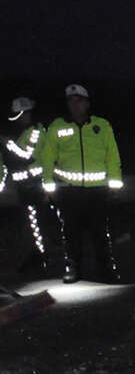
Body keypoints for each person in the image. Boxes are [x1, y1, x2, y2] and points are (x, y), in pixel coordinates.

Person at [38, 84, 123, 283]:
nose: (75, 105)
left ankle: (107, 270)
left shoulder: (101, 125)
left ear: (87, 103)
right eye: (71, 101)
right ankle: (73, 268)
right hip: (69, 191)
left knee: (100, 232)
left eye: (79, 101)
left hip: (98, 191)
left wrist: (114, 185)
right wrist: (48, 185)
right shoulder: (57, 126)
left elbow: (112, 155)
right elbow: (47, 157)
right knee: (70, 232)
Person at [2, 97, 59, 271]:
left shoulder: (35, 131)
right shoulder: (22, 132)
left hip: (36, 184)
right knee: (31, 223)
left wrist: (8, 143)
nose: (22, 118)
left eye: (24, 114)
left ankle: (44, 256)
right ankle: (38, 255)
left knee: (39, 222)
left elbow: (27, 155)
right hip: (24, 185)